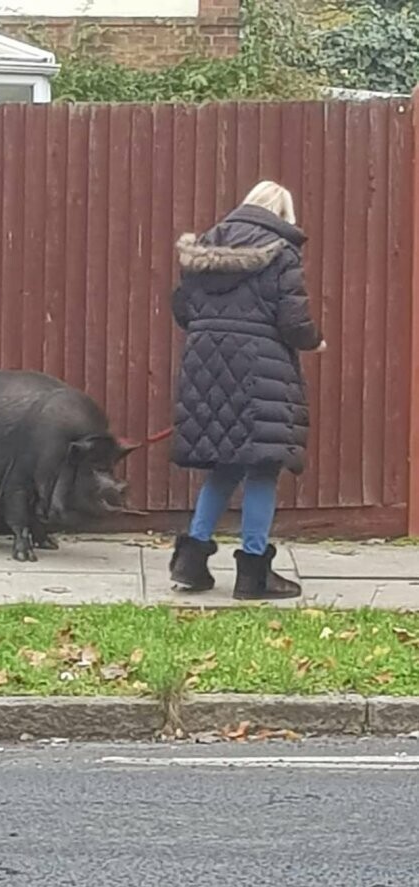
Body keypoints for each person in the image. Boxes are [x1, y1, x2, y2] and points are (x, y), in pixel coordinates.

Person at [169, 180, 326, 600]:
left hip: (205, 367)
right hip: (260, 367)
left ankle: (191, 562)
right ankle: (254, 574)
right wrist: (315, 340)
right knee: (262, 464)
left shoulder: (203, 247)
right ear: (282, 214)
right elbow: (293, 320)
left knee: (223, 461)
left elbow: (182, 309)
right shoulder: (281, 252)